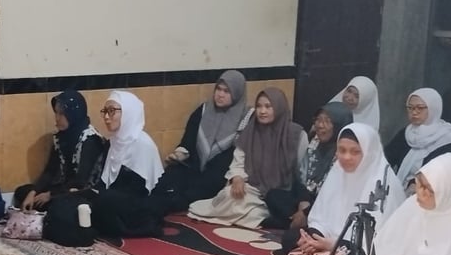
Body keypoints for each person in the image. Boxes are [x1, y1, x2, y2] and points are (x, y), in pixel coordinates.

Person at [188, 88, 307, 230]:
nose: (262, 111)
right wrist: (238, 178)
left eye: (268, 107)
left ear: (279, 108)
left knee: (271, 200)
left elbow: (302, 173)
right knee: (229, 195)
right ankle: (267, 219)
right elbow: (238, 161)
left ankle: (269, 217)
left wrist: (302, 202)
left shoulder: (296, 135)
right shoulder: (250, 131)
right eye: (259, 106)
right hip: (254, 189)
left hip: (283, 191)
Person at [284, 122, 401, 255]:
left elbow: (377, 241)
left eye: (355, 152)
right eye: (342, 150)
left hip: (362, 250)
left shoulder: (383, 182)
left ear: (370, 152)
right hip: (330, 240)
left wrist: (336, 246)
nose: (346, 157)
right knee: (290, 238)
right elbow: (320, 217)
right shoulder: (338, 171)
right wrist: (314, 238)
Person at [151, 70, 250, 214]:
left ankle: (162, 207)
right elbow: (188, 142)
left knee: (193, 191)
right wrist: (178, 155)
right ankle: (154, 204)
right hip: (194, 166)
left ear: (237, 93)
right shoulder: (203, 110)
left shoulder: (246, 118)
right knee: (168, 178)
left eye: (227, 91)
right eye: (218, 89)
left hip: (221, 173)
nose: (220, 95)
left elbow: (241, 153)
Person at [265, 101, 352, 230]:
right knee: (273, 195)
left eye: (327, 121)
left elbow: (334, 195)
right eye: (318, 120)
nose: (320, 125)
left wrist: (306, 212)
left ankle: (295, 223)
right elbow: (300, 178)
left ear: (339, 125)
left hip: (326, 205)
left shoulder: (346, 153)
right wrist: (303, 203)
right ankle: (299, 222)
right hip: (307, 199)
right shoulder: (315, 143)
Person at [87, 91, 164, 237]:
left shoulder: (143, 144)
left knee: (104, 200)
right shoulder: (114, 143)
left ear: (129, 112)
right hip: (115, 200)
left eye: (112, 111)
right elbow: (105, 181)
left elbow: (141, 190)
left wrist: (104, 195)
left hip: (140, 204)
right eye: (105, 112)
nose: (107, 117)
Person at [13, 90, 105, 212]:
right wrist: (33, 192)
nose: (57, 118)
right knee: (22, 192)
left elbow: (81, 181)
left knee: (60, 205)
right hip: (64, 189)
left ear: (73, 114)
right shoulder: (62, 137)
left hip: (83, 193)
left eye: (61, 114)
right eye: (56, 113)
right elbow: (50, 171)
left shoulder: (90, 140)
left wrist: (51, 195)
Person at [384, 87, 451, 194]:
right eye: (410, 108)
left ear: (433, 108)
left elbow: (443, 173)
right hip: (402, 191)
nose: (414, 112)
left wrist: (417, 184)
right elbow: (387, 158)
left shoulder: (446, 140)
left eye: (420, 108)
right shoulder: (407, 133)